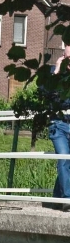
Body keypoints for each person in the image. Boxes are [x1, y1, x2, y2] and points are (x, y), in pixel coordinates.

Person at [45, 46, 70, 212]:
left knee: (68, 163)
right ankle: (68, 198)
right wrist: (57, 72)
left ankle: (57, 197)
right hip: (58, 124)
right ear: (63, 57)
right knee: (64, 159)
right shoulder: (53, 73)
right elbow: (46, 94)